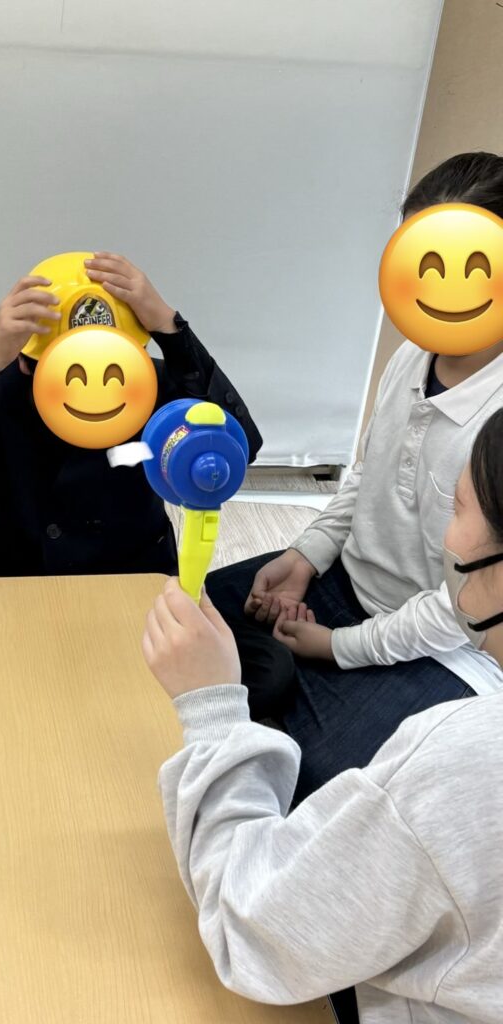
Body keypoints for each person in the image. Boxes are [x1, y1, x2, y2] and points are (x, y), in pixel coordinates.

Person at [142, 406, 503, 1024]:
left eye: (458, 506)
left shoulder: (460, 764)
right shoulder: (410, 369)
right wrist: (306, 556)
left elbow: (251, 931)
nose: (446, 531)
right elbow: (362, 478)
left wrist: (212, 710)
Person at [206, 152, 503, 797]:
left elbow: (466, 606)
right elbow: (367, 477)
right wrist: (305, 556)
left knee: (323, 784)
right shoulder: (412, 355)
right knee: (195, 619)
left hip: (442, 646)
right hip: (346, 585)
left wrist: (338, 646)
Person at [0, 254, 261, 573]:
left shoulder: (156, 387)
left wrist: (172, 330)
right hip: (14, 574)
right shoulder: (3, 393)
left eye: (112, 368)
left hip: (133, 574)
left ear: (137, 355)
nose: (92, 388)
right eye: (69, 371)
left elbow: (238, 448)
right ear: (27, 363)